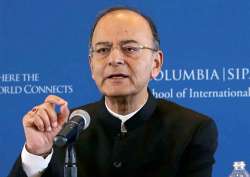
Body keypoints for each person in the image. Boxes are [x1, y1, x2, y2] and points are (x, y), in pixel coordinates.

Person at [8, 7, 218, 177]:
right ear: (91, 66)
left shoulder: (191, 129)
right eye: (102, 50)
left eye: (130, 48)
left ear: (156, 63)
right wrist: (37, 152)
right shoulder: (66, 129)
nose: (114, 59)